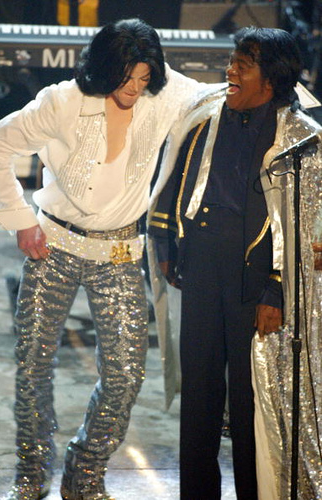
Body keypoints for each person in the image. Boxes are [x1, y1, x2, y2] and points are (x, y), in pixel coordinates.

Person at [0, 18, 220, 500]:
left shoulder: (164, 94)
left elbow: (220, 96)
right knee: (33, 368)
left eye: (144, 78)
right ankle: (31, 476)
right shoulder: (62, 101)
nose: (134, 88)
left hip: (118, 253)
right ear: (105, 68)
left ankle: (84, 473)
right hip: (54, 247)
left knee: (127, 374)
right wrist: (21, 219)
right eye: (125, 77)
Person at [148, 27, 322, 499]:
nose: (230, 71)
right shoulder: (206, 118)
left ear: (270, 79)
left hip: (254, 284)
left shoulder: (300, 141)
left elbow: (304, 231)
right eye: (233, 60)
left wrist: (275, 291)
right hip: (202, 271)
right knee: (199, 397)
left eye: (243, 65)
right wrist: (166, 243)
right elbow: (175, 174)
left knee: (250, 406)